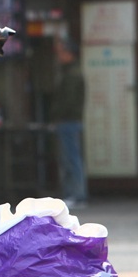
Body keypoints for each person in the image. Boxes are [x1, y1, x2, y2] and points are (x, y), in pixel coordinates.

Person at [50, 37, 88, 208]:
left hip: (69, 121)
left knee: (72, 158)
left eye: (62, 52)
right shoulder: (69, 72)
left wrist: (57, 114)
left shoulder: (72, 74)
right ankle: (73, 194)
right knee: (70, 158)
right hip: (69, 120)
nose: (59, 56)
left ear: (69, 54)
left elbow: (68, 101)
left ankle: (77, 195)